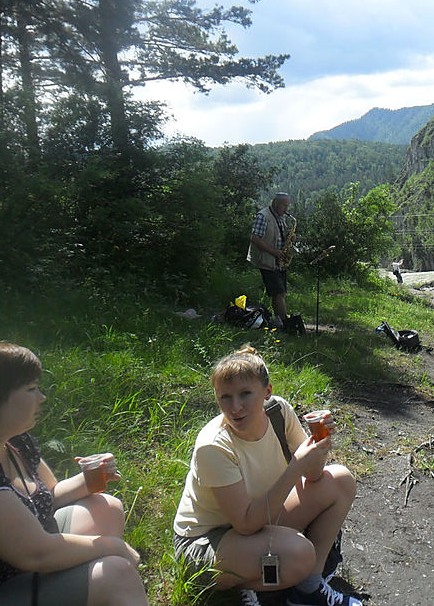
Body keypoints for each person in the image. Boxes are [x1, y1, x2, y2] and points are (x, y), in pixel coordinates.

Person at [172, 346, 361, 606]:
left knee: (340, 480)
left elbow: (315, 475)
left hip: (257, 519)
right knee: (299, 553)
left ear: (267, 392)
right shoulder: (213, 446)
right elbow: (246, 524)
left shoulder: (278, 413)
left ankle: (308, 589)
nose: (235, 407)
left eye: (245, 394)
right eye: (225, 397)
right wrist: (296, 466)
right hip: (206, 541)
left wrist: (320, 443)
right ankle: (251, 590)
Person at [0, 342, 148, 606]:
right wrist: (114, 547)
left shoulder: (16, 443)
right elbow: (36, 554)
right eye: (30, 389)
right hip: (12, 588)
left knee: (106, 507)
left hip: (41, 567)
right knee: (117, 572)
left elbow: (50, 496)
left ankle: (102, 593)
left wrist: (89, 480)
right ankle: (113, 588)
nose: (42, 397)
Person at [248, 192, 296, 331]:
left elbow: (280, 234)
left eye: (287, 205)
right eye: (283, 205)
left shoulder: (280, 217)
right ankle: (286, 324)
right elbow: (255, 238)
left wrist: (290, 237)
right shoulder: (263, 216)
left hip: (279, 260)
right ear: (275, 202)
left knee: (279, 293)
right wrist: (273, 251)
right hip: (268, 260)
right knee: (279, 293)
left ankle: (279, 322)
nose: (286, 209)